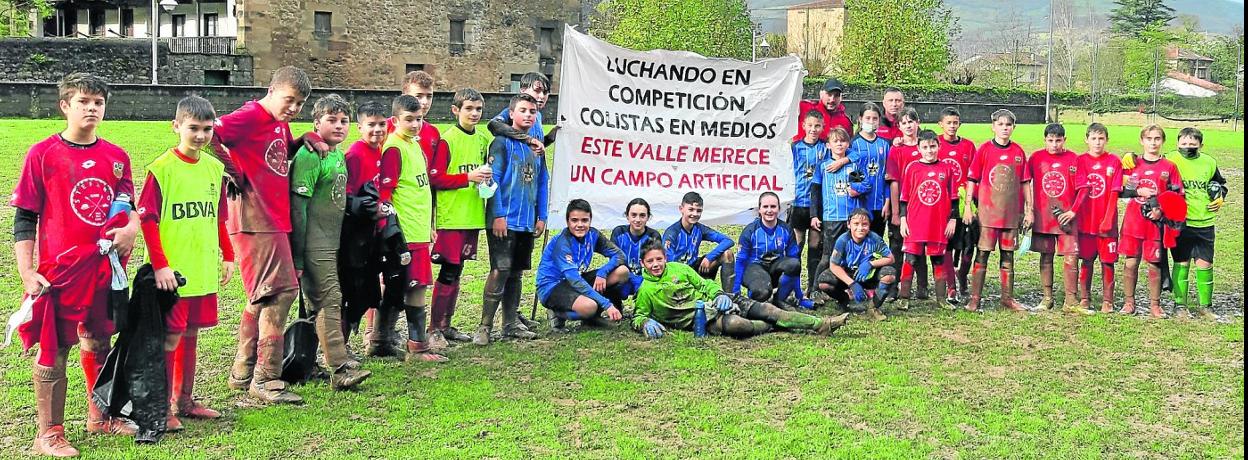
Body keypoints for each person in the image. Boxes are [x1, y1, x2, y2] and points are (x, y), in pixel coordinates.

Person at [13, 73, 140, 456]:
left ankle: (100, 416)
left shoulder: (117, 157)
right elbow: (25, 216)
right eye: (83, 101)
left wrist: (131, 228)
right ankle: (49, 433)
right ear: (65, 106)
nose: (92, 109)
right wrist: (27, 271)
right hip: (60, 271)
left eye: (98, 102)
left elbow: (128, 203)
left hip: (103, 267)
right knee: (56, 347)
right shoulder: (42, 154)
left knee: (99, 339)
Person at [211, 66, 320, 404]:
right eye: (289, 100)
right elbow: (209, 133)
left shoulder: (279, 122)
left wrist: (303, 139)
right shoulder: (249, 115)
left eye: (300, 104)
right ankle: (266, 376)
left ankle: (243, 371)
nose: (294, 108)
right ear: (271, 91)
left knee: (262, 294)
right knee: (282, 292)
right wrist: (231, 170)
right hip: (255, 218)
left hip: (272, 216)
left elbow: (277, 156)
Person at [137, 96, 232, 432]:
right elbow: (147, 220)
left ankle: (185, 400)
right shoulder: (161, 169)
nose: (200, 135)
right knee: (169, 336)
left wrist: (228, 254)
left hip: (201, 268)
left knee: (191, 333)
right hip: (171, 274)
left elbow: (219, 217)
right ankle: (160, 407)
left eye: (207, 129)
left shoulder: (214, 169)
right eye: (193, 128)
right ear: (176, 126)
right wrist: (160, 266)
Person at [290, 94, 373, 387]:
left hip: (333, 240)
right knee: (329, 299)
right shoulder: (310, 156)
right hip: (315, 242)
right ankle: (339, 369)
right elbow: (298, 208)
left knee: (321, 302)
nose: (339, 126)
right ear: (316, 123)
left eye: (344, 121)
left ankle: (311, 362)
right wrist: (298, 255)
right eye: (331, 120)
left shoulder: (337, 154)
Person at [634, 242, 849, 339]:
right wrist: (644, 323)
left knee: (768, 309)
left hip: (721, 302)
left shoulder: (679, 269)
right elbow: (638, 315)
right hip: (703, 320)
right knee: (739, 325)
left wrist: (719, 295)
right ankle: (774, 327)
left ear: (665, 258)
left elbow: (704, 284)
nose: (656, 264)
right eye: (650, 261)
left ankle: (821, 324)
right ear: (643, 264)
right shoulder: (646, 290)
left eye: (659, 259)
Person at [369, 70, 444, 345]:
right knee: (410, 286)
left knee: (407, 285)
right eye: (409, 119)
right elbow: (385, 196)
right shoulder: (393, 148)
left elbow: (422, 189)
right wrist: (390, 232)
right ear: (395, 120)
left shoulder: (415, 145)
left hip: (418, 230)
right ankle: (414, 345)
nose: (415, 124)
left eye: (419, 119)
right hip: (405, 234)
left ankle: (382, 341)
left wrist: (429, 225)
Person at [477, 93, 549, 345]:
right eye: (523, 110)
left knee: (517, 272)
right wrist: (497, 214)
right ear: (511, 114)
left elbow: (542, 182)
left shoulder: (537, 147)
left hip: (527, 220)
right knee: (500, 269)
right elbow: (492, 180)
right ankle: (484, 326)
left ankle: (510, 324)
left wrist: (542, 216)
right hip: (504, 220)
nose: (528, 115)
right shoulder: (500, 143)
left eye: (532, 111)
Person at [427, 88, 495, 348]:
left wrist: (485, 181)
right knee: (448, 272)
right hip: (452, 217)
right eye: (469, 108)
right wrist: (467, 178)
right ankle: (434, 329)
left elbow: (482, 173)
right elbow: (436, 178)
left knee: (458, 272)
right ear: (455, 110)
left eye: (478, 109)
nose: (474, 113)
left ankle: (446, 325)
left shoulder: (483, 139)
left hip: (472, 215)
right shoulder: (448, 140)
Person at [341, 101, 406, 357]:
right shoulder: (355, 155)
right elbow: (346, 197)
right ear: (359, 127)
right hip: (355, 234)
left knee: (373, 287)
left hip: (373, 231)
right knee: (352, 292)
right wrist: (370, 209)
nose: (377, 129)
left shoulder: (379, 151)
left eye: (381, 124)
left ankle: (378, 339)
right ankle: (341, 348)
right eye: (371, 125)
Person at [964, 109, 1033, 313]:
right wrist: (968, 206)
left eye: (1008, 125)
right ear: (993, 126)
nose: (1004, 128)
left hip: (1010, 216)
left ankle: (1007, 298)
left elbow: (1025, 182)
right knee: (982, 254)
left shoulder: (1018, 152)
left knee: (1008, 257)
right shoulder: (984, 150)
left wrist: (1029, 210)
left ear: (1013, 127)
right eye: (1001, 124)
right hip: (987, 215)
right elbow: (972, 179)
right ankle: (975, 299)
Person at [1119, 125, 1183, 319]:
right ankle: (1129, 302)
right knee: (1131, 262)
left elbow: (1177, 196)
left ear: (1162, 141)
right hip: (1133, 223)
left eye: (1157, 139)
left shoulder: (1169, 167)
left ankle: (1155, 305)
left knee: (1154, 263)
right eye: (1149, 139)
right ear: (1142, 141)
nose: (1153, 143)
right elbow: (1122, 191)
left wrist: (1161, 210)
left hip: (1155, 225)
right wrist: (1138, 191)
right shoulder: (1133, 164)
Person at [537, 199, 630, 330]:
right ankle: (558, 313)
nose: (580, 225)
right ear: (567, 222)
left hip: (575, 280)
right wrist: (607, 304)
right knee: (590, 306)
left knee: (622, 272)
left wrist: (603, 272)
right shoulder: (562, 243)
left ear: (590, 220)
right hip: (552, 287)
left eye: (584, 220)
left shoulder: (593, 234)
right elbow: (574, 280)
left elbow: (620, 255)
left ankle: (592, 319)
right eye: (574, 220)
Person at [1166, 127, 1227, 321]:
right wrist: (1131, 157)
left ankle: (1205, 307)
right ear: (1177, 144)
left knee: (1205, 264)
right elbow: (1149, 165)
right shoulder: (1170, 160)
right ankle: (1179, 306)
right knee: (1181, 263)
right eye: (1184, 143)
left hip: (1205, 222)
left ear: (1201, 145)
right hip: (1181, 223)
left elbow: (1220, 184)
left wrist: (1220, 197)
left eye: (1192, 144)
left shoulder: (1209, 162)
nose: (1188, 147)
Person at [1027, 124, 1090, 314]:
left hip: (1067, 218)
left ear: (1064, 140)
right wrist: (1027, 210)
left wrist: (1073, 211)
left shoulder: (1074, 159)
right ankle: (1047, 298)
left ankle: (1070, 300)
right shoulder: (1036, 158)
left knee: (1071, 256)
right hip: (1043, 217)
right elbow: (1024, 183)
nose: (1054, 144)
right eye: (1050, 140)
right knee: (1046, 255)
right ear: (1044, 140)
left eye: (1058, 140)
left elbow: (1083, 188)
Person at [897, 130, 959, 311]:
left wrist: (952, 220)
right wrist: (903, 220)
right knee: (910, 259)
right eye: (925, 147)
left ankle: (941, 298)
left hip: (938, 224)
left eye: (933, 146)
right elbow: (904, 198)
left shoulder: (946, 168)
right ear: (919, 148)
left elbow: (954, 198)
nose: (929, 150)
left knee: (938, 260)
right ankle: (904, 297)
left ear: (939, 146)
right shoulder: (912, 168)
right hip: (915, 223)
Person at [810, 127, 868, 298]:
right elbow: (815, 192)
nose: (839, 144)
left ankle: (849, 288)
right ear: (828, 145)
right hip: (832, 218)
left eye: (843, 141)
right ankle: (814, 290)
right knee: (828, 255)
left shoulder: (853, 166)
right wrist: (814, 215)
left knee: (851, 255)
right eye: (835, 141)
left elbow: (864, 185)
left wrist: (857, 190)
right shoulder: (823, 167)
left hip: (852, 219)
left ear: (848, 144)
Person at [1075, 123, 1125, 314]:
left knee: (1107, 262)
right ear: (1086, 140)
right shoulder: (1080, 161)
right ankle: (1085, 298)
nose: (1097, 142)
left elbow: (1114, 193)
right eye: (1094, 138)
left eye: (1101, 138)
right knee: (1086, 260)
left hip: (1107, 224)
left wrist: (1108, 219)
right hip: (1086, 222)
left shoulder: (1114, 161)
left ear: (1107, 140)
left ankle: (1108, 301)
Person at [734, 192, 814, 309]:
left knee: (794, 264)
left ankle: (779, 299)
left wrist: (799, 296)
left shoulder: (786, 229)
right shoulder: (750, 231)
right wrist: (736, 293)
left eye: (773, 206)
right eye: (765, 207)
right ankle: (753, 297)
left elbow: (795, 263)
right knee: (762, 292)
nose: (769, 210)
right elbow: (740, 262)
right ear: (759, 209)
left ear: (779, 209)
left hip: (774, 268)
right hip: (754, 269)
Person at [816, 209, 898, 321]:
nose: (860, 228)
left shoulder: (875, 239)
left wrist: (870, 264)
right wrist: (852, 284)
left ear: (869, 226)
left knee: (889, 275)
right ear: (849, 225)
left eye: (864, 224)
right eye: (856, 224)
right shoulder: (843, 240)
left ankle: (874, 307)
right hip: (848, 274)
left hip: (868, 275)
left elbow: (891, 258)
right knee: (824, 283)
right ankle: (845, 300)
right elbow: (833, 265)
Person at [936, 108, 978, 303]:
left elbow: (974, 176)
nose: (952, 126)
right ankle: (951, 287)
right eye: (948, 123)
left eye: (955, 123)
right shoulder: (935, 144)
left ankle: (962, 275)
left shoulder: (968, 146)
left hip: (965, 203)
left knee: (969, 245)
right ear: (941, 124)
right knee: (947, 245)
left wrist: (971, 203)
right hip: (942, 203)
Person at [885, 108, 926, 300]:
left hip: (923, 207)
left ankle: (922, 287)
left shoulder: (926, 146)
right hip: (902, 205)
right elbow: (894, 181)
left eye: (911, 121)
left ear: (918, 123)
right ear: (899, 126)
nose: (908, 126)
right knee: (897, 247)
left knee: (920, 247)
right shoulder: (897, 149)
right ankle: (893, 288)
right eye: (904, 123)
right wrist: (895, 212)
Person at [662, 192, 736, 291]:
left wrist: (709, 258)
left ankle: (729, 296)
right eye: (691, 209)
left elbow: (728, 241)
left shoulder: (699, 228)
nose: (695, 214)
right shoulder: (672, 233)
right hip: (677, 276)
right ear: (681, 209)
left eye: (698, 211)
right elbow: (669, 265)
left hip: (695, 270)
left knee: (727, 254)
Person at [790, 111, 828, 294]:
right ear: (804, 126)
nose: (813, 129)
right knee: (796, 247)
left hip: (818, 205)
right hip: (798, 203)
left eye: (817, 126)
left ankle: (812, 288)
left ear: (823, 127)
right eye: (810, 125)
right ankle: (793, 288)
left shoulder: (826, 148)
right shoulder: (794, 148)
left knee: (815, 248)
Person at [847, 102, 891, 237]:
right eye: (867, 118)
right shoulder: (853, 144)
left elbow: (887, 176)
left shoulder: (885, 144)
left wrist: (887, 202)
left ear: (879, 121)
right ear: (860, 119)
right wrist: (859, 188)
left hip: (880, 203)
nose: (871, 121)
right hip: (860, 203)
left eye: (874, 118)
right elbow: (851, 170)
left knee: (876, 240)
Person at [489, 72, 558, 157]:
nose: (542, 96)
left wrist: (550, 137)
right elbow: (493, 124)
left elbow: (535, 146)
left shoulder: (538, 115)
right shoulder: (515, 112)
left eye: (545, 92)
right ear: (523, 90)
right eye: (537, 90)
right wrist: (528, 139)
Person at [610, 198, 662, 301]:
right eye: (633, 215)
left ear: (648, 217)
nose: (638, 220)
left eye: (642, 215)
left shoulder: (653, 236)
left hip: (646, 279)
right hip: (623, 277)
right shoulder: (618, 232)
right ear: (627, 216)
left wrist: (641, 281)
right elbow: (613, 261)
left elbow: (657, 265)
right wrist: (630, 277)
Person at [794, 77, 852, 142]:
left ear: (841, 98)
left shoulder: (846, 121)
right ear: (821, 94)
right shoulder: (804, 108)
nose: (832, 99)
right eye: (829, 94)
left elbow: (848, 144)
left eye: (836, 95)